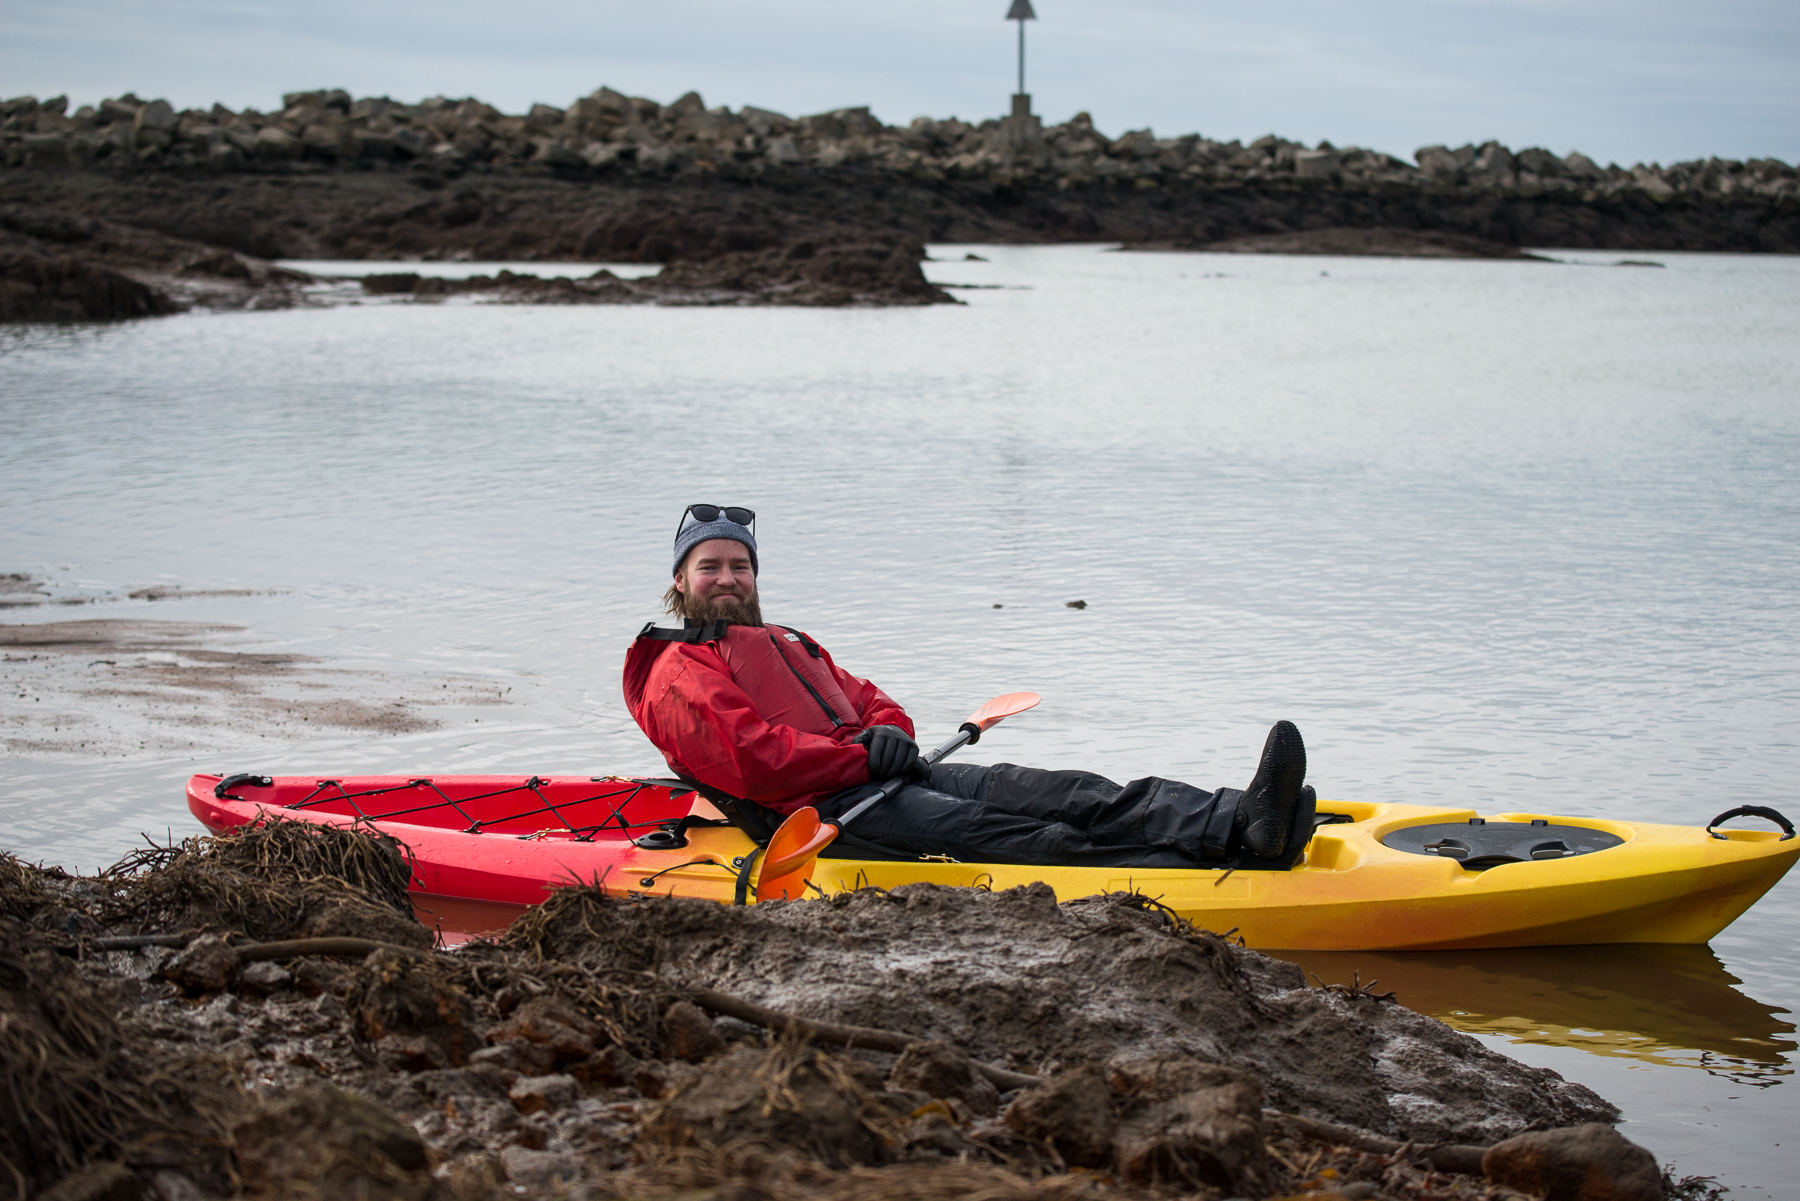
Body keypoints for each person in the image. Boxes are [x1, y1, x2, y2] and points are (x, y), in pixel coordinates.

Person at [623, 505, 1315, 869]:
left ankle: (1241, 821)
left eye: (739, 566)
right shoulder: (676, 671)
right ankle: (1225, 863)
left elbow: (867, 698)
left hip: (885, 779)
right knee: (1030, 834)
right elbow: (754, 758)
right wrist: (866, 758)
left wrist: (890, 732)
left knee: (1067, 790)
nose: (727, 578)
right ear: (680, 580)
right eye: (709, 566)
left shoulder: (789, 641)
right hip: (819, 817)